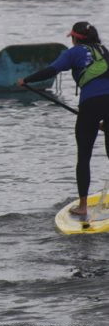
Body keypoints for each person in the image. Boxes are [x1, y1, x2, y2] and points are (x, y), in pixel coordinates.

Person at [17, 22, 109, 219]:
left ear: (76, 38)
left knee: (84, 156)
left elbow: (52, 70)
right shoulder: (104, 50)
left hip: (91, 104)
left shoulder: (74, 52)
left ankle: (83, 206)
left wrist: (27, 80)